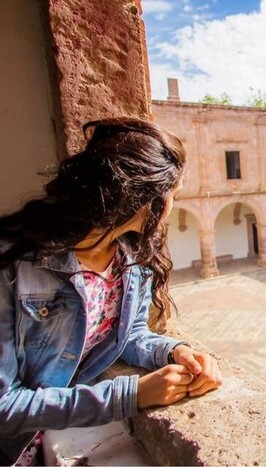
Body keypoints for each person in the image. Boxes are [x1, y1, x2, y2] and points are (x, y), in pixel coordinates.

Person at [0, 117, 222, 464]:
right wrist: (130, 394)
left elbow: (129, 334)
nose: (173, 206)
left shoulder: (129, 259)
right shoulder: (14, 263)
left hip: (56, 442)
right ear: (146, 200)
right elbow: (4, 406)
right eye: (173, 195)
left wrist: (175, 351)